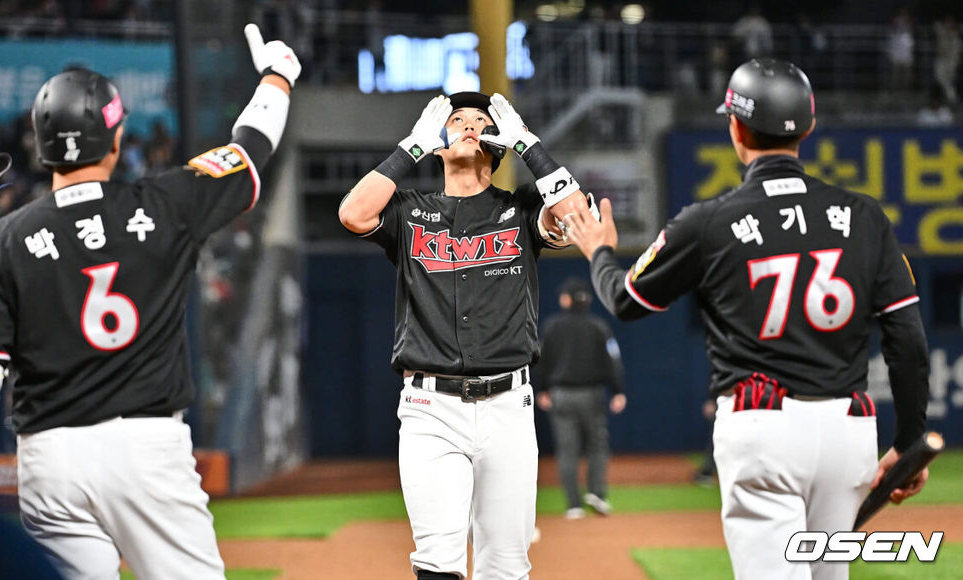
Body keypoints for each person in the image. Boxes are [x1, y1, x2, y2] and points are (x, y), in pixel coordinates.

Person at [0, 23, 299, 579]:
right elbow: (250, 149)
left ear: (40, 145)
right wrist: (278, 76)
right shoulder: (167, 203)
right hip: (147, 448)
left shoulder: (3, 238)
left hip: (49, 457)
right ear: (114, 139)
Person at [564, 58, 930, 580]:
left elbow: (627, 301)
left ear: (735, 127)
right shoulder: (864, 216)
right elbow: (907, 339)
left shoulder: (709, 222)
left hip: (765, 430)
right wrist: (910, 441)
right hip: (850, 433)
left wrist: (599, 252)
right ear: (808, 127)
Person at [338, 91, 596, 579]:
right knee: (437, 561)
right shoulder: (410, 212)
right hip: (429, 409)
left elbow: (576, 217)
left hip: (508, 407)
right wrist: (410, 147)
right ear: (437, 142)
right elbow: (352, 214)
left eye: (482, 120)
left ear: (497, 144)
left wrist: (529, 145)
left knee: (506, 564)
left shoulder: (520, 210)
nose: (470, 125)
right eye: (457, 119)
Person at [535, 276, 626, 519]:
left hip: (561, 395)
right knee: (597, 445)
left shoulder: (551, 326)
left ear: (566, 299)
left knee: (567, 450)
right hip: (591, 394)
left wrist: (541, 389)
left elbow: (541, 362)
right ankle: (596, 492)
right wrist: (617, 390)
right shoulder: (598, 326)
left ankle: (573, 505)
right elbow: (612, 361)